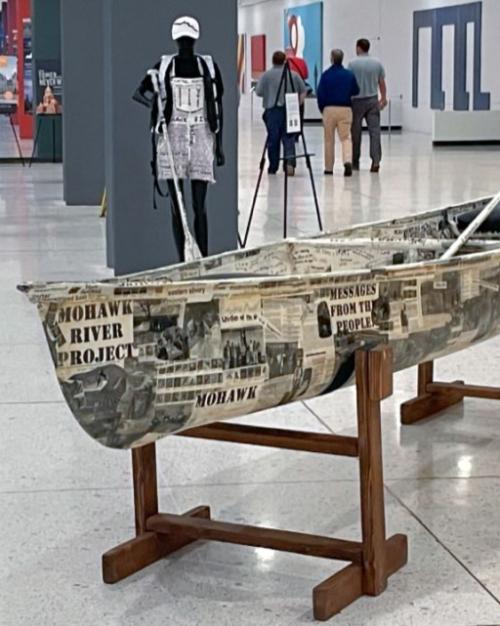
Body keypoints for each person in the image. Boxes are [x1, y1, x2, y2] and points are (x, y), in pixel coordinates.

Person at [255, 51, 307, 176]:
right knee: (289, 138)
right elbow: (303, 91)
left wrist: (270, 93)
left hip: (272, 110)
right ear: (285, 61)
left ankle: (273, 166)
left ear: (272, 61)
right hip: (290, 109)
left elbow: (258, 92)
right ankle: (289, 162)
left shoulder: (266, 75)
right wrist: (298, 104)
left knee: (273, 139)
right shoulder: (293, 75)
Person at [317, 49, 359, 177]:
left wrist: (322, 109)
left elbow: (320, 94)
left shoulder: (325, 75)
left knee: (329, 140)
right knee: (346, 138)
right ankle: (347, 161)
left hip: (329, 109)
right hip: (345, 109)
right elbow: (356, 90)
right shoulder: (349, 75)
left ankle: (329, 168)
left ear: (331, 59)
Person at [348, 38, 387, 173]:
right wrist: (383, 98)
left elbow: (349, 83)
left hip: (356, 101)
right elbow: (381, 82)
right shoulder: (377, 63)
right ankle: (375, 161)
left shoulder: (352, 64)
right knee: (374, 132)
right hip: (372, 100)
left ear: (359, 48)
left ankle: (355, 161)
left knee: (355, 133)